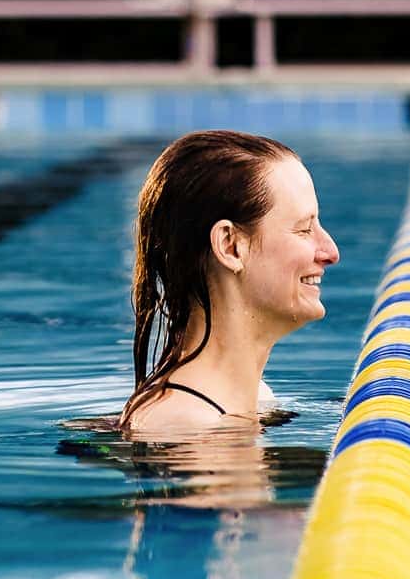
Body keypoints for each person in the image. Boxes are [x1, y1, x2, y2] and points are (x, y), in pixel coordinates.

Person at [121, 129, 340, 436]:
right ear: (230, 246)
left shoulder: (252, 399)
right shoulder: (189, 425)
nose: (331, 252)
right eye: (304, 229)